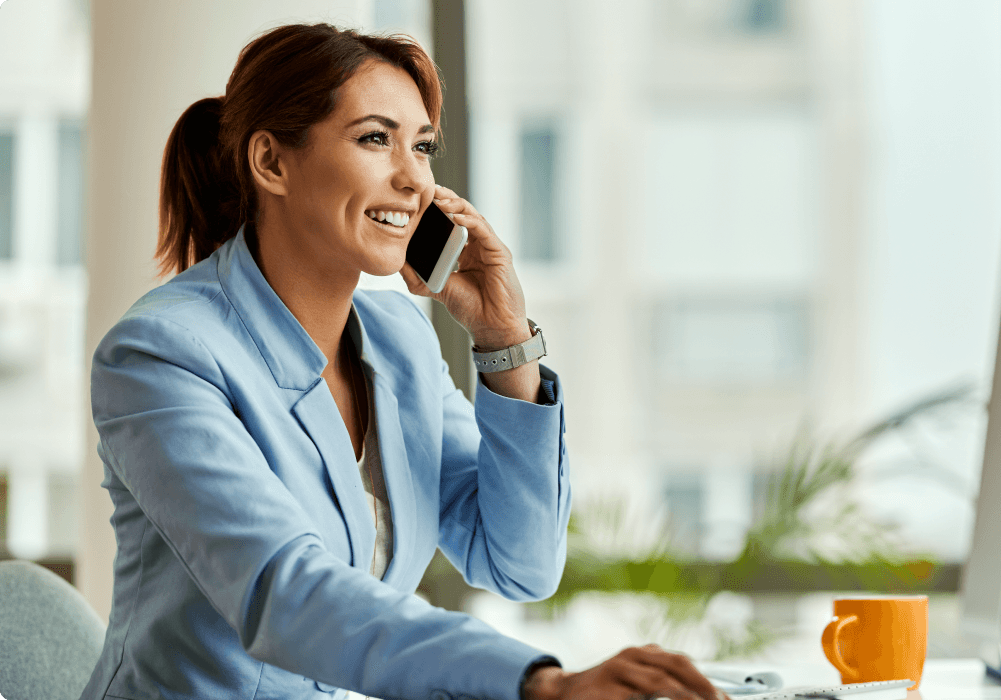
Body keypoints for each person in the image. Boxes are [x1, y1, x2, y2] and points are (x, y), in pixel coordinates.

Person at [83, 23, 726, 700]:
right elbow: (281, 591)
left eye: (421, 147)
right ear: (271, 162)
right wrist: (536, 683)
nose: (413, 179)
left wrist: (503, 340)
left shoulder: (399, 341)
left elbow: (521, 564)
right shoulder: (160, 355)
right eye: (374, 139)